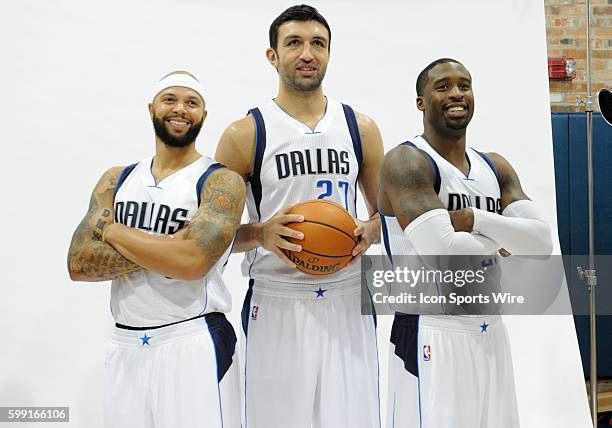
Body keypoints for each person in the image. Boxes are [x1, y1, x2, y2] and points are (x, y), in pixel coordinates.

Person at [215, 5, 384, 428]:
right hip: (277, 301)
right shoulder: (246, 134)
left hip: (349, 299)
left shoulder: (360, 128)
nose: (307, 53)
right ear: (272, 56)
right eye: (294, 43)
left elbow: (392, 217)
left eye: (318, 44)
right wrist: (259, 233)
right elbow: (210, 239)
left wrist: (372, 228)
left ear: (329, 53)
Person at [377, 58, 553, 427]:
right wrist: (506, 234)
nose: (456, 93)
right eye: (442, 87)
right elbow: (443, 253)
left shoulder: (494, 166)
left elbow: (541, 245)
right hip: (430, 330)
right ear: (421, 102)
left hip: (491, 329)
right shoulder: (406, 161)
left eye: (464, 85)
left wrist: (475, 220)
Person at [67, 71, 245, 428]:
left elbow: (192, 262)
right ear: (151, 108)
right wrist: (168, 247)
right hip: (125, 343)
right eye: (170, 100)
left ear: (204, 115)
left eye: (191, 102)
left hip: (193, 340)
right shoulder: (116, 179)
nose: (180, 109)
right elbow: (78, 263)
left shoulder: (220, 180)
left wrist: (115, 231)